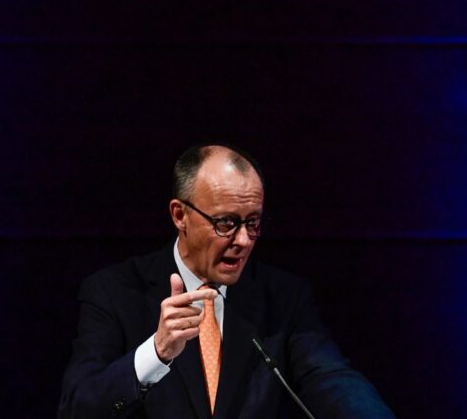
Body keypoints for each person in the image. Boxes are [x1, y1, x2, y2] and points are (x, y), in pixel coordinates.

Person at [58, 144, 395, 418]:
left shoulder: (282, 297)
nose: (245, 240)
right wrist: (157, 352)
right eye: (226, 223)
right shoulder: (114, 291)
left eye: (253, 222)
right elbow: (77, 409)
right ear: (180, 215)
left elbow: (331, 378)